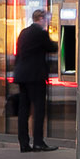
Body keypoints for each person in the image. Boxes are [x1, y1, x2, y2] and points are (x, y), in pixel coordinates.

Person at [14, 9, 56, 151]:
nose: (48, 22)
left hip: (22, 75)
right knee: (39, 109)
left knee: (23, 110)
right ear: (41, 19)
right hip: (36, 76)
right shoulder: (41, 33)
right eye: (47, 19)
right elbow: (52, 47)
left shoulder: (24, 32)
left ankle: (24, 143)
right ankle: (38, 141)